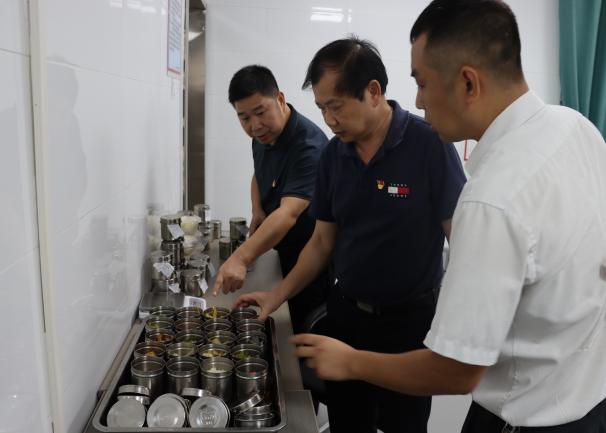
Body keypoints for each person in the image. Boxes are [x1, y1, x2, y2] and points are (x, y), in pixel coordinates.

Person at [290, 1, 606, 433]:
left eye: (422, 83)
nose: (419, 100)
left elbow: (457, 371)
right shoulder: (577, 127)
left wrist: (350, 362)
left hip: (521, 417)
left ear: (468, 83)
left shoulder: (489, 200)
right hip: (590, 405)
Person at [235, 37, 466, 433]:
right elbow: (321, 243)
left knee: (403, 425)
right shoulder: (333, 156)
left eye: (336, 106)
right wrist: (277, 295)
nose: (329, 120)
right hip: (346, 319)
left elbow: (461, 239)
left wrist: (460, 319)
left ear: (373, 91)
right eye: (322, 108)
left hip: (408, 324)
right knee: (348, 422)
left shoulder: (429, 144)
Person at [213, 65, 328, 335]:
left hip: (308, 263)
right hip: (279, 253)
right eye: (244, 118)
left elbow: (288, 214)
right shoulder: (263, 135)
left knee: (300, 334)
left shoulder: (309, 147)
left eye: (260, 112)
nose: (254, 125)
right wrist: (258, 209)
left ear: (280, 99)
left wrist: (240, 258)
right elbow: (258, 173)